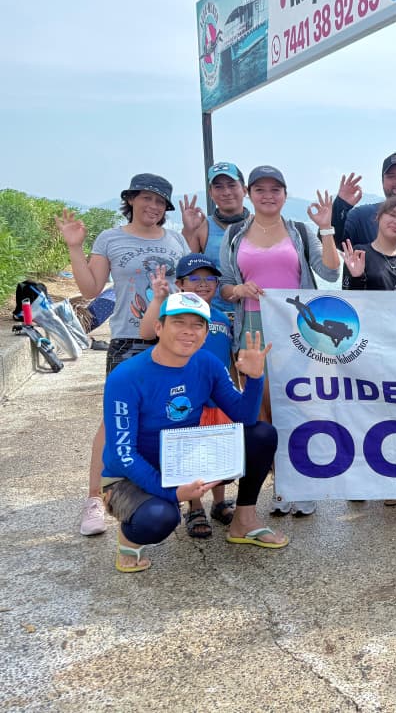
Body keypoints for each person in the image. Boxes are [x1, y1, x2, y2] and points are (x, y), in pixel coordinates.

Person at [100, 292, 287, 572]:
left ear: (205, 332)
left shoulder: (207, 363)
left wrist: (255, 378)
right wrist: (174, 492)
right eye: (179, 322)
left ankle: (244, 521)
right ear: (159, 327)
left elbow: (245, 418)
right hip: (131, 473)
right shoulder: (126, 377)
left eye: (198, 325)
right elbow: (122, 454)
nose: (189, 331)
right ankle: (129, 537)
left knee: (261, 435)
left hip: (185, 458)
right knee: (159, 518)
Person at [56, 173, 189, 536]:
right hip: (129, 340)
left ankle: (166, 492)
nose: (153, 206)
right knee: (114, 420)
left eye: (160, 202)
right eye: (147, 198)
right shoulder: (111, 238)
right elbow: (90, 288)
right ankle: (95, 498)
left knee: (174, 416)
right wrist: (74, 247)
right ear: (130, 199)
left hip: (172, 340)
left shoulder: (175, 240)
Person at [218, 165, 341, 517]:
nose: (268, 195)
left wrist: (326, 229)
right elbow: (225, 287)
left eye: (275, 189)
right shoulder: (235, 235)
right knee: (263, 411)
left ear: (285, 194)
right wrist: (239, 289)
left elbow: (331, 271)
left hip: (296, 329)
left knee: (298, 405)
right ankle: (280, 486)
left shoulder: (300, 231)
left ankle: (301, 482)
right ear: (248, 194)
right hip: (252, 328)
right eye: (260, 190)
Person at [139, 254, 237, 538]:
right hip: (187, 399)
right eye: (195, 278)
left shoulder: (221, 317)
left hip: (218, 398)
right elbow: (146, 333)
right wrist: (158, 299)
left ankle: (220, 502)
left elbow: (229, 357)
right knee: (193, 455)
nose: (203, 284)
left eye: (210, 279)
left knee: (219, 451)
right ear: (180, 284)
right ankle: (195, 507)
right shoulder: (170, 316)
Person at [179, 161, 249, 316]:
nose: (226, 192)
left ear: (244, 190)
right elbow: (185, 270)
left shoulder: (259, 225)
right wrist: (189, 230)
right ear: (210, 193)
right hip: (214, 314)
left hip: (253, 312)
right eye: (218, 187)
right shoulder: (203, 226)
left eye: (232, 185)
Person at [342, 197, 396, 291]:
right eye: (393, 215)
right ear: (378, 217)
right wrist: (357, 278)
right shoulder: (359, 254)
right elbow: (349, 299)